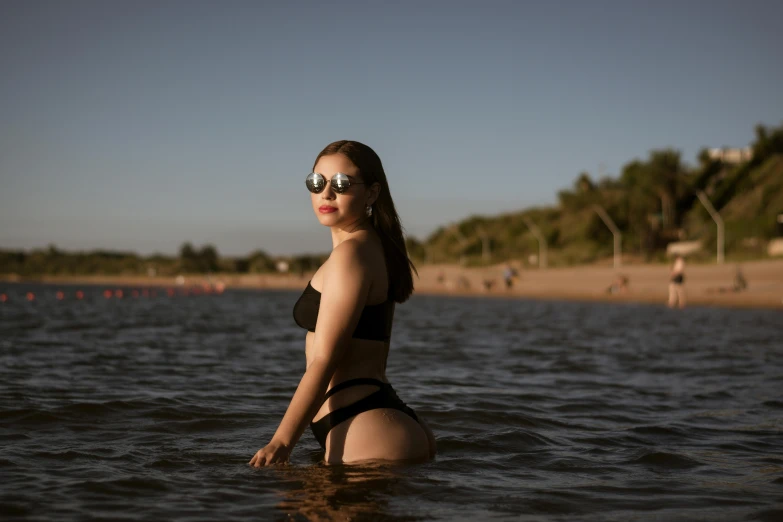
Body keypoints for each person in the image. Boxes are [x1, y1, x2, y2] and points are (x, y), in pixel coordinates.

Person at [249, 140, 436, 467]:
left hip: (367, 429)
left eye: (341, 184)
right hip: (379, 419)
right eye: (317, 182)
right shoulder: (369, 246)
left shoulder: (351, 255)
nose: (326, 193)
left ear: (372, 193)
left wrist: (281, 442)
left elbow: (324, 360)